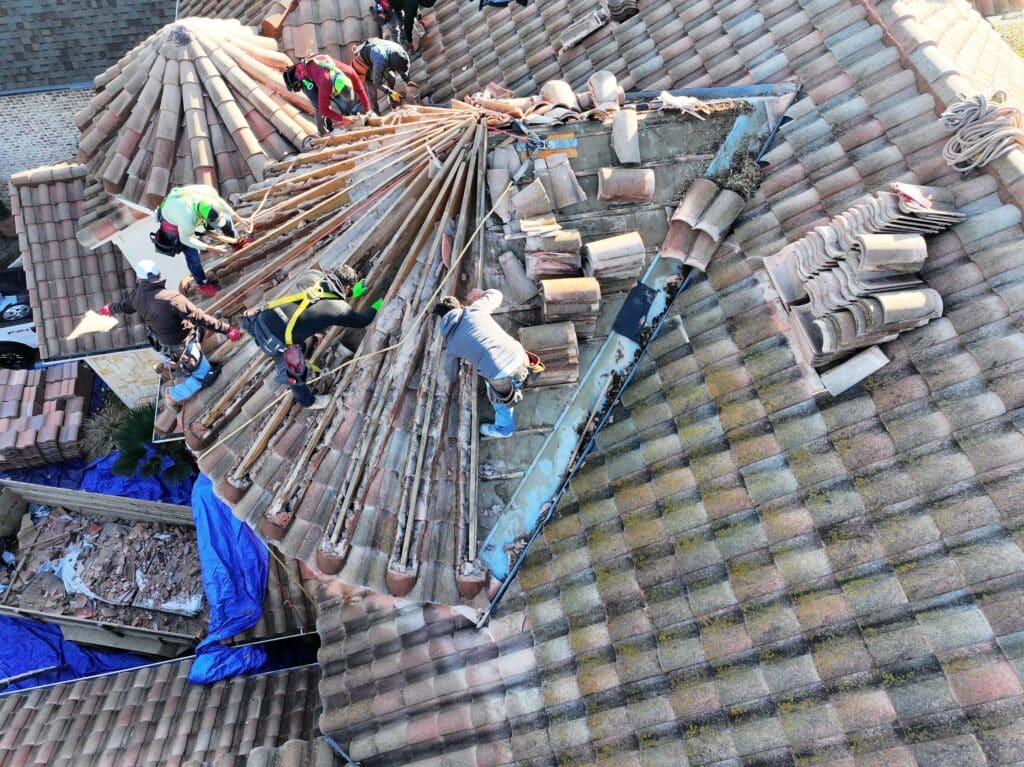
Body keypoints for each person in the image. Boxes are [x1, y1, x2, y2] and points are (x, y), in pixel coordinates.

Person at [100, 260, 243, 404]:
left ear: (139, 279)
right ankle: (174, 394)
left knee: (195, 335)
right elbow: (200, 318)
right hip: (181, 346)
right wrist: (227, 330)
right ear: (160, 275)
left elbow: (125, 306)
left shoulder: (136, 296)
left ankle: (172, 363)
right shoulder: (173, 299)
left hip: (163, 343)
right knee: (206, 376)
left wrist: (110, 308)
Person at [242, 265, 382, 409]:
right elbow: (363, 321)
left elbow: (320, 295)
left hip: (259, 322)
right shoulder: (340, 308)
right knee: (294, 375)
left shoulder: (312, 275)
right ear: (346, 288)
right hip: (278, 344)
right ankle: (309, 402)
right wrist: (375, 307)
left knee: (300, 346)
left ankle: (254, 334)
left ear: (333, 273)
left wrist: (351, 293)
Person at [435, 289, 532, 438]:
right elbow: (497, 295)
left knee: (499, 399)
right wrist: (481, 293)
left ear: (442, 319)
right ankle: (519, 382)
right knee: (512, 371)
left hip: (499, 374)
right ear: (460, 307)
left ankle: (504, 429)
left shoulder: (451, 344)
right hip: (519, 354)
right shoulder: (475, 309)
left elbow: (451, 373)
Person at [151, 184, 244, 298]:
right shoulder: (186, 219)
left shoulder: (209, 193)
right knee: (191, 252)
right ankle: (203, 283)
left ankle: (236, 243)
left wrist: (238, 217)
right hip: (170, 214)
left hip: (183, 203)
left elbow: (222, 204)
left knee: (226, 220)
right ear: (201, 216)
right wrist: (210, 248)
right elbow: (187, 240)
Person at [283, 54, 372, 136]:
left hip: (318, 71)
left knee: (328, 100)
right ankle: (323, 133)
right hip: (304, 77)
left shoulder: (349, 71)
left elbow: (360, 90)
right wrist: (343, 119)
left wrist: (368, 110)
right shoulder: (325, 82)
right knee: (319, 106)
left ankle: (333, 124)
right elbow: (324, 110)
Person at [352, 38, 413, 114]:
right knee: (372, 92)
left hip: (378, 55)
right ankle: (376, 114)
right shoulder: (380, 61)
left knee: (391, 78)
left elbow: (404, 67)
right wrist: (389, 91)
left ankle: (393, 102)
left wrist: (408, 81)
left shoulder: (399, 51)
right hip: (365, 62)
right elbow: (377, 83)